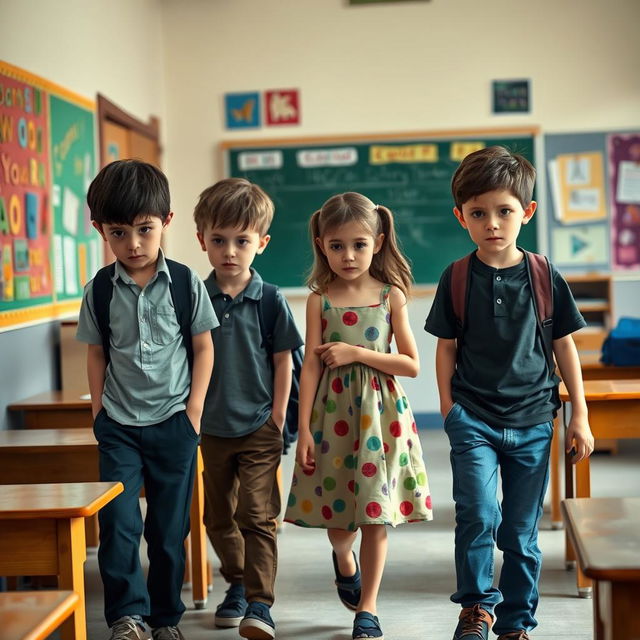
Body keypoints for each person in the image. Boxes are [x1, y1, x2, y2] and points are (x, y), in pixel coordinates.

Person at [425, 146, 594, 640]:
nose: (492, 223)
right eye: (478, 213)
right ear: (461, 217)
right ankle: (477, 608)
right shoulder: (455, 277)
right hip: (472, 417)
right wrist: (449, 407)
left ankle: (517, 622)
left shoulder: (544, 275)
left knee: (520, 533)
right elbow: (446, 348)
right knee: (476, 516)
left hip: (535, 419)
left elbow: (565, 348)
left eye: (504, 211)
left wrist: (578, 415)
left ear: (528, 212)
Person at [76, 160, 217, 640]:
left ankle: (165, 619)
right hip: (118, 424)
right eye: (118, 232)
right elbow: (97, 354)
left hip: (174, 424)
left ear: (166, 223)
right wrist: (98, 412)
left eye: (144, 229)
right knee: (117, 527)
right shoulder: (98, 290)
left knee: (168, 532)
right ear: (100, 230)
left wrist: (193, 412)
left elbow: (203, 347)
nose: (133, 244)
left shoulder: (184, 283)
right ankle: (126, 617)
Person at [285, 192, 433, 640]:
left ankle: (367, 609)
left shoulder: (392, 297)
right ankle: (343, 560)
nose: (348, 256)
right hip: (332, 417)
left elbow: (410, 363)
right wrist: (306, 428)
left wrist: (356, 353)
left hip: (381, 418)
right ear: (320, 244)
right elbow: (311, 364)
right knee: (338, 526)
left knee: (375, 513)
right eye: (336, 246)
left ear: (379, 242)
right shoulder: (318, 300)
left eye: (359, 245)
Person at [193, 178, 303, 640]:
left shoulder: (272, 299)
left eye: (242, 241)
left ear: (262, 242)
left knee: (256, 515)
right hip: (211, 429)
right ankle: (236, 582)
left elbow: (284, 363)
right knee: (217, 517)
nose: (230, 251)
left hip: (259, 425)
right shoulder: (192, 297)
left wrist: (278, 418)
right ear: (202, 241)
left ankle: (260, 604)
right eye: (219, 240)